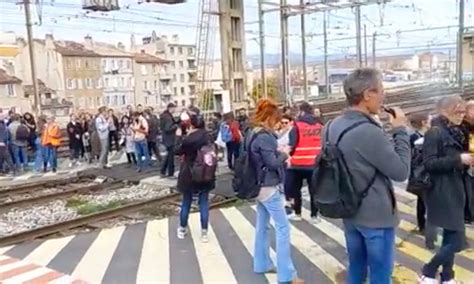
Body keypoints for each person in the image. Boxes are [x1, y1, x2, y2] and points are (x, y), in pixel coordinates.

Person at [325, 68, 410, 283]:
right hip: (376, 217)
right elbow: (400, 171)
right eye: (381, 90)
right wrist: (400, 130)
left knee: (356, 267)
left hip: (349, 210)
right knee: (380, 274)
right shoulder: (369, 131)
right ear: (366, 95)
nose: (383, 96)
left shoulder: (331, 126)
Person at [248, 99, 302, 284]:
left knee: (262, 226)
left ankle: (261, 263)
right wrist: (285, 153)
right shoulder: (264, 136)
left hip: (258, 186)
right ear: (270, 117)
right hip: (269, 186)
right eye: (277, 119)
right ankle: (287, 275)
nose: (278, 123)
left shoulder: (252, 133)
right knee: (283, 227)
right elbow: (272, 162)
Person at [420, 95, 471, 283]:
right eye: (458, 111)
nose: (462, 115)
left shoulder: (454, 131)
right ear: (445, 110)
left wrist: (464, 162)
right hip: (442, 190)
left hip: (454, 187)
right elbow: (430, 163)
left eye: (463, 111)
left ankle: (448, 277)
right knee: (458, 240)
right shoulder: (435, 132)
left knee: (450, 236)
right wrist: (459, 160)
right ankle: (428, 270)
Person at [175, 114, 215, 242]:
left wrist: (178, 135)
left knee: (186, 201)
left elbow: (177, 151)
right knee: (203, 202)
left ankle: (182, 229)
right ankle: (204, 233)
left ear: (191, 124)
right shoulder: (208, 136)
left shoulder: (188, 139)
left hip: (189, 173)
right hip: (206, 173)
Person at [287, 102, 323, 222]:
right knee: (314, 191)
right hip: (314, 163)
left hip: (297, 163)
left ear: (301, 112)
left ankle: (297, 213)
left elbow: (292, 144)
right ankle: (314, 215)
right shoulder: (319, 125)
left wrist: (290, 156)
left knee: (296, 190)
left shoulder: (297, 126)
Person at [407, 113, 431, 237]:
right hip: (420, 173)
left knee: (424, 199)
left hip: (425, 171)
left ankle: (426, 224)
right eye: (429, 119)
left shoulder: (425, 135)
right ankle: (422, 225)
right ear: (423, 122)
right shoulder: (414, 137)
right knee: (422, 199)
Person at [160, 103, 178, 177]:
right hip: (170, 138)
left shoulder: (163, 116)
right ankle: (170, 172)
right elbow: (168, 128)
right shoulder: (168, 117)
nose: (175, 110)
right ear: (170, 108)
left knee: (169, 155)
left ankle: (163, 170)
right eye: (174, 108)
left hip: (166, 138)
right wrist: (176, 126)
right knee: (171, 157)